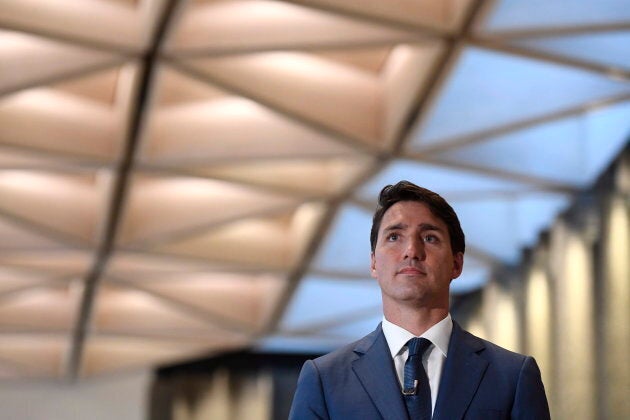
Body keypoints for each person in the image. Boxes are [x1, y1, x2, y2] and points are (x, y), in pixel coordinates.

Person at [289, 181, 550, 420]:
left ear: (456, 263)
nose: (412, 251)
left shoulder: (512, 376)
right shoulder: (325, 379)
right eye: (394, 237)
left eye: (429, 238)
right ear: (373, 263)